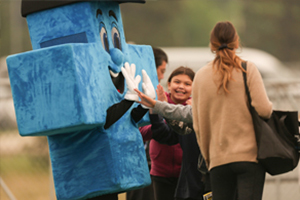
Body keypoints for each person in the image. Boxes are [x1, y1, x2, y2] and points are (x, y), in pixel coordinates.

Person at [136, 21, 273, 200]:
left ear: (212, 44)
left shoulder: (201, 75)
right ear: (237, 42)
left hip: (216, 160)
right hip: (248, 157)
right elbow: (264, 110)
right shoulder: (247, 69)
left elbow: (192, 116)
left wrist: (157, 105)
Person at [126, 47, 168, 200]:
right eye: (161, 70)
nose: (162, 76)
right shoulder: (134, 95)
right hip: (141, 163)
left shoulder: (158, 95)